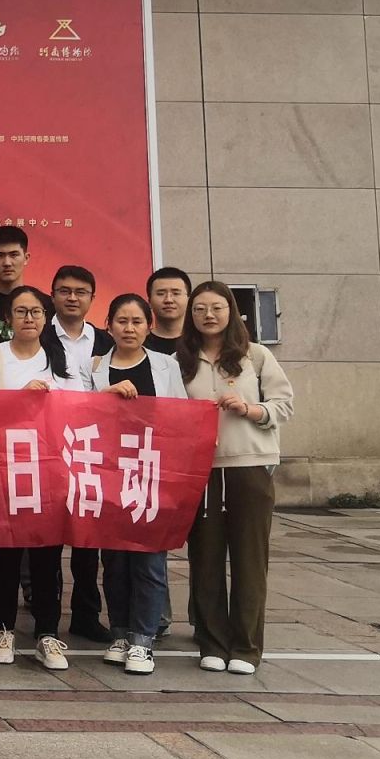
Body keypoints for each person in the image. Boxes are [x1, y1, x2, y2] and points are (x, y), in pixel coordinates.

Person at [180, 281, 294, 676]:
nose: (208, 315)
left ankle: (246, 647)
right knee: (205, 559)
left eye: (217, 307)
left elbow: (284, 405)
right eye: (199, 309)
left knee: (249, 560)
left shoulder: (256, 356)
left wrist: (250, 409)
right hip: (201, 471)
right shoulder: (181, 360)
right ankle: (212, 642)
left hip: (250, 467)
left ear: (231, 311)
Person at [0, 285, 80, 671]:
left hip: (49, 469)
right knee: (5, 553)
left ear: (46, 317)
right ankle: (3, 629)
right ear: (8, 319)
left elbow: (78, 408)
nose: (29, 318)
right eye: (21, 312)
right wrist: (22, 395)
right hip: (5, 467)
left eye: (36, 312)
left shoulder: (60, 357)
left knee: (47, 555)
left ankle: (47, 634)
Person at [90, 292, 193, 677]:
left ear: (149, 327)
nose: (129, 328)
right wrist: (105, 396)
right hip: (109, 476)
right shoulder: (95, 367)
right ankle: (120, 633)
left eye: (136, 321)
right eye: (121, 321)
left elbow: (182, 419)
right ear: (109, 326)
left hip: (153, 476)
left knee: (149, 562)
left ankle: (143, 640)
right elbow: (78, 415)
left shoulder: (166, 366)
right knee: (115, 562)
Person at [47, 264, 112, 643]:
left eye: (80, 292)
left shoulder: (106, 341)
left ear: (92, 298)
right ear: (52, 295)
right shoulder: (39, 337)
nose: (72, 298)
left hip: (93, 449)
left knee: (88, 538)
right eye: (65, 291)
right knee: (48, 538)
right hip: (49, 448)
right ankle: (47, 618)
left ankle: (86, 615)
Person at [145, 266, 192, 353]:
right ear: (149, 301)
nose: (168, 300)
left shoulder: (202, 343)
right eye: (161, 294)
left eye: (176, 293)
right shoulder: (139, 346)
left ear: (189, 300)